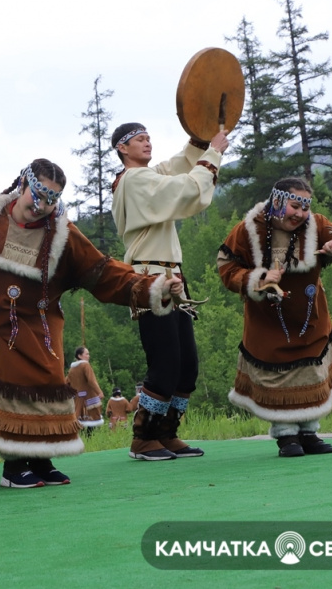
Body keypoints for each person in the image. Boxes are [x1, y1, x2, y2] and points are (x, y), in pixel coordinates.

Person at [0, 158, 183, 488]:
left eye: (52, 200)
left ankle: (41, 460)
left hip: (41, 326)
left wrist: (152, 285)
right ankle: (13, 466)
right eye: (37, 196)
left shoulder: (61, 234)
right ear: (22, 185)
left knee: (48, 384)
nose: (41, 206)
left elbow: (103, 272)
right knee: (11, 385)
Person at [217, 177, 332, 457]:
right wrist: (259, 278)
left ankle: (309, 432)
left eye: (305, 207)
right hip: (266, 321)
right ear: (276, 201)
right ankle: (286, 436)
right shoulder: (247, 230)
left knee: (311, 372)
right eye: (294, 205)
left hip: (310, 319)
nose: (300, 214)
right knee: (274, 376)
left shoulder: (318, 225)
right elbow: (227, 266)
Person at [110, 122, 229, 461]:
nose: (147, 143)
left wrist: (200, 141)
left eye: (149, 138)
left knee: (186, 364)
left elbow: (178, 167)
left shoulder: (146, 177)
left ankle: (165, 433)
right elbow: (185, 188)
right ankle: (143, 438)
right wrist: (215, 152)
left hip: (171, 278)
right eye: (139, 139)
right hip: (150, 280)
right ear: (122, 148)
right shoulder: (135, 180)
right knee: (166, 362)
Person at [67, 346, 104, 431]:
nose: (88, 356)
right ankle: (91, 441)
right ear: (80, 356)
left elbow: (67, 382)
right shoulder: (85, 365)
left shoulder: (72, 369)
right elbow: (91, 380)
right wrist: (99, 392)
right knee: (92, 422)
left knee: (80, 421)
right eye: (86, 354)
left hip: (77, 400)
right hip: (89, 398)